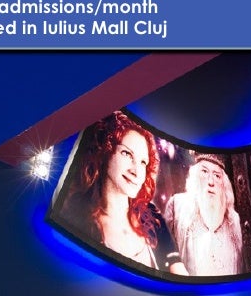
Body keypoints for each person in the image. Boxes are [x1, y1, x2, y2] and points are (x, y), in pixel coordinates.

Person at [57, 110, 189, 275]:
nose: (136, 171)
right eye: (127, 154)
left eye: (143, 162)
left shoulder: (151, 216)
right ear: (105, 150)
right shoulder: (76, 215)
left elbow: (179, 273)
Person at [163, 153, 244, 276]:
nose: (211, 182)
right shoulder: (177, 205)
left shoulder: (234, 220)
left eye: (217, 176)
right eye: (204, 172)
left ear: (224, 183)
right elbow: (165, 256)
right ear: (195, 176)